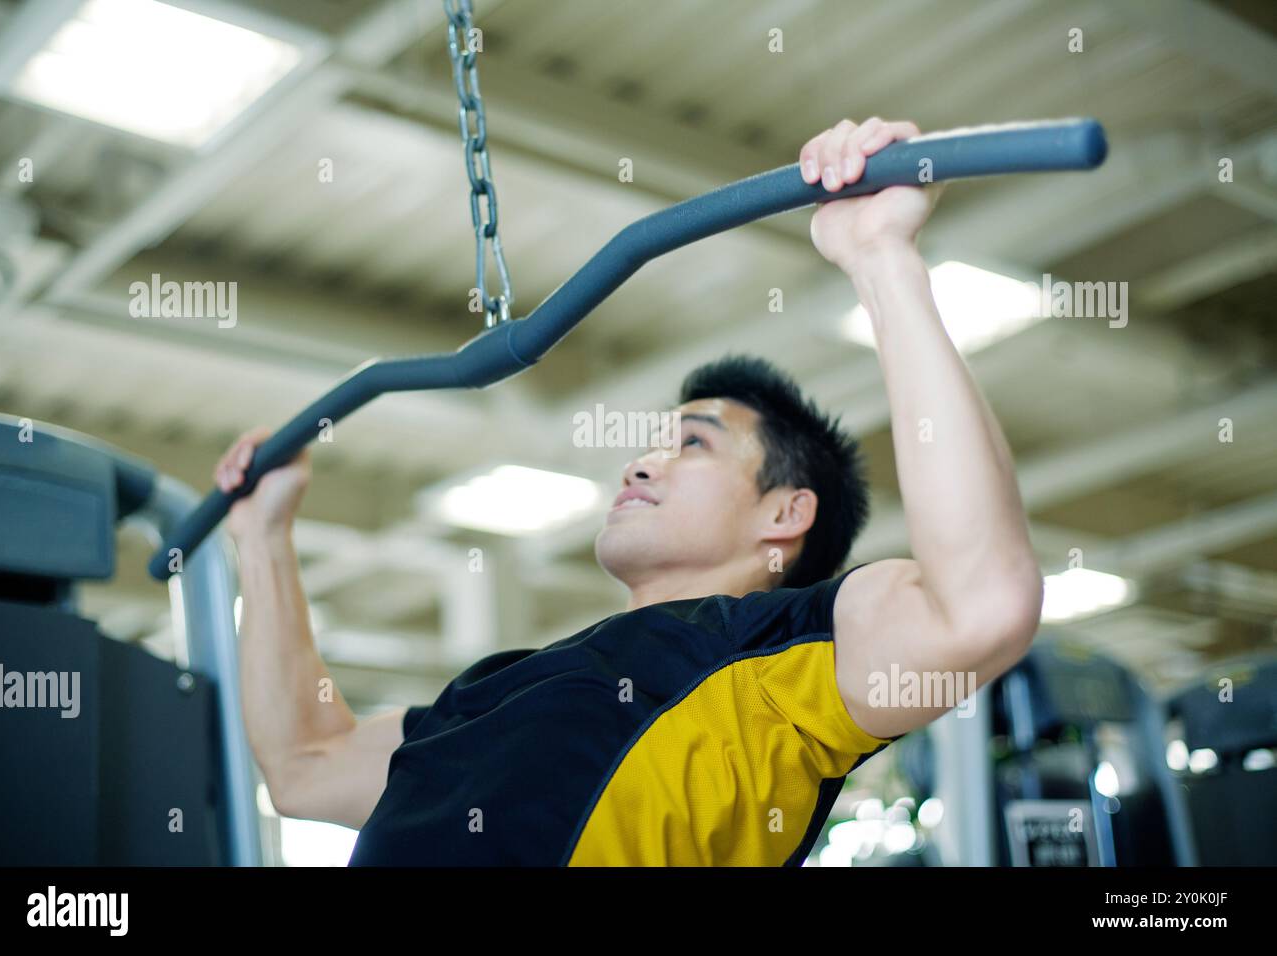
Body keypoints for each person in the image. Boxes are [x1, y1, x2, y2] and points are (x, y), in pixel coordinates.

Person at [216, 117, 1043, 866]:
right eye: (651, 445)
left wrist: (880, 257)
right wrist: (263, 536)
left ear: (786, 515)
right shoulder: (494, 686)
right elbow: (304, 767)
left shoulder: (790, 659)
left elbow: (980, 606)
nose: (639, 465)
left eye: (691, 444)